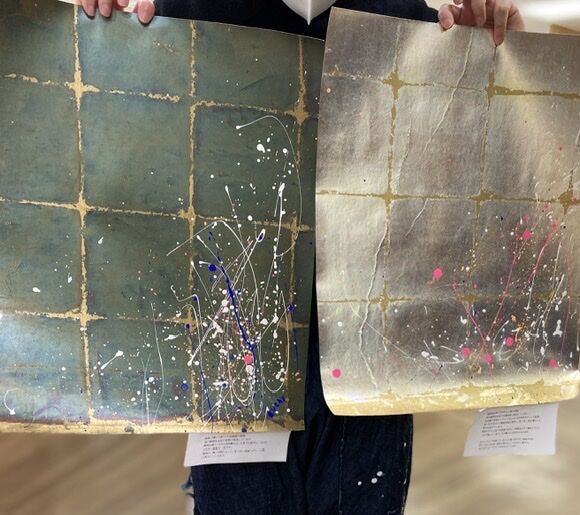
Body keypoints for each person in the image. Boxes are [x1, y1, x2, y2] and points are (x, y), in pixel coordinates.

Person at [79, 1, 524, 513]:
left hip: (365, 361)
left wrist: (500, 60)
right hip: (235, 358)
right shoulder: (180, 17)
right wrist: (105, 31)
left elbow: (486, 206)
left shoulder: (415, 27)